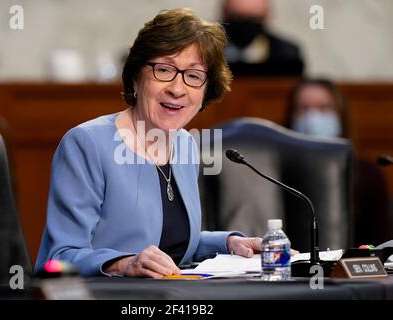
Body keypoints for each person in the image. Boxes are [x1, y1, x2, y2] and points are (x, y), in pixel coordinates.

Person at [35, 8, 262, 278]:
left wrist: (228, 243)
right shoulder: (87, 143)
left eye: (193, 75)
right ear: (135, 77)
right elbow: (58, 258)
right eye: (164, 70)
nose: (178, 89)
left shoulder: (185, 144)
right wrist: (123, 264)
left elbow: (170, 242)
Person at [285, 78, 391, 246]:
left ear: (340, 114)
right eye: (303, 108)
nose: (313, 117)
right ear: (291, 115)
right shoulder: (278, 172)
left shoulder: (368, 174)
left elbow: (380, 241)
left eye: (324, 108)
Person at [222, 0, 304, 76]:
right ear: (224, 13)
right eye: (237, 17)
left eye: (254, 19)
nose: (245, 24)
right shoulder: (210, 49)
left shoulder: (286, 54)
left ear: (266, 16)